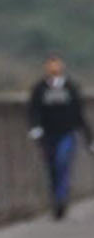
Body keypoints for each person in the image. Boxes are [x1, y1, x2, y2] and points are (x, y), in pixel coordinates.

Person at [27, 53, 92, 221]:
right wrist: (35, 128)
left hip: (67, 133)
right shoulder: (40, 89)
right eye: (51, 64)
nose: (53, 68)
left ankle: (61, 199)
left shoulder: (71, 88)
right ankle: (55, 198)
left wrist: (89, 138)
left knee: (62, 162)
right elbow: (33, 110)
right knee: (52, 168)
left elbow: (79, 114)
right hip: (47, 135)